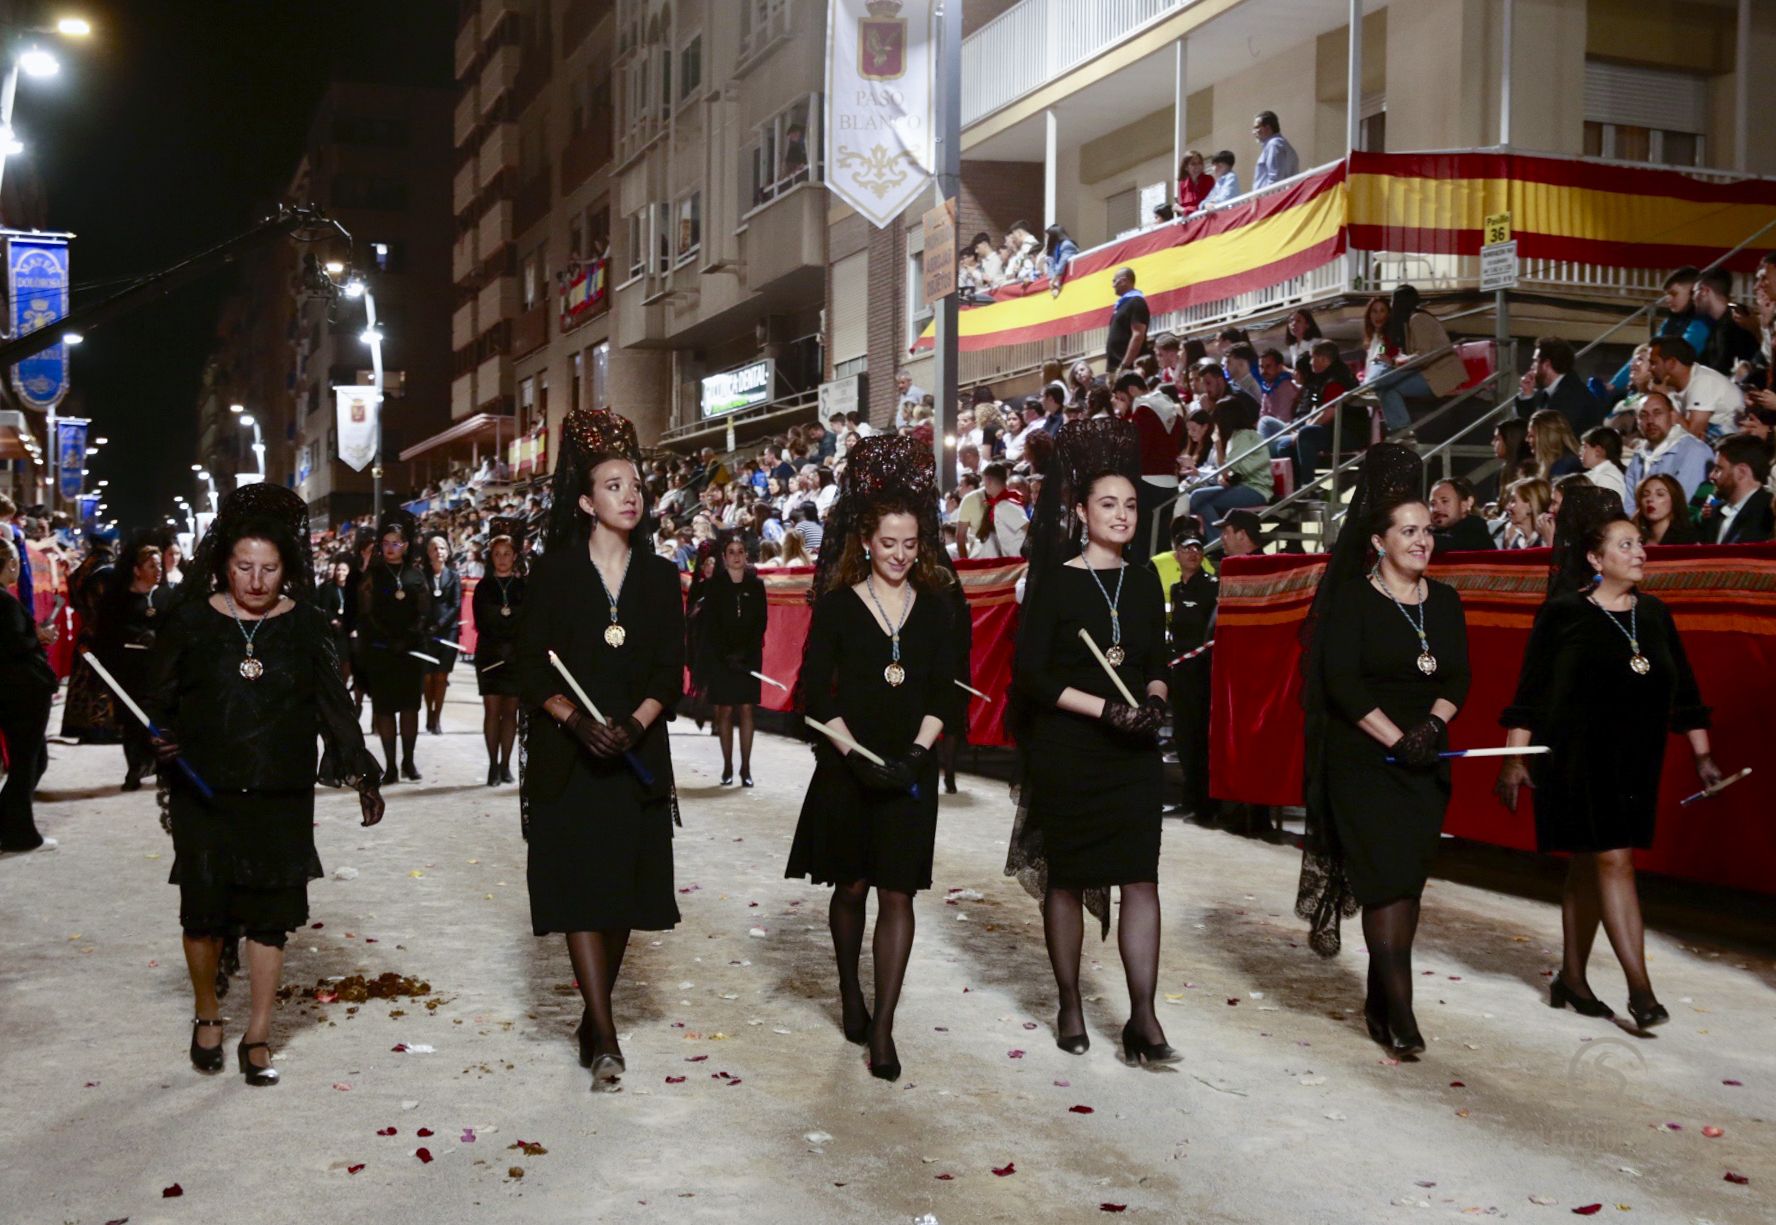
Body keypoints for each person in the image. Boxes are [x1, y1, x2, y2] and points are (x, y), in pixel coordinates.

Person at [143, 484, 385, 1086]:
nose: (256, 580)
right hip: (205, 789)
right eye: (244, 567)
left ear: (288, 567)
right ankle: (207, 1015)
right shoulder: (193, 621)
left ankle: (257, 1032)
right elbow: (158, 700)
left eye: (269, 568)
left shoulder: (306, 626)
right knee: (202, 912)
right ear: (224, 564)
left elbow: (334, 708)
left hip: (279, 790)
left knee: (269, 918)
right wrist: (161, 737)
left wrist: (362, 774)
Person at [1494, 485, 1720, 1030]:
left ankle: (1571, 979)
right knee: (1614, 859)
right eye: (1625, 545)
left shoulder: (1657, 614)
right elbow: (1530, 693)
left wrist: (1703, 756)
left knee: (1588, 864)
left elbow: (1684, 692)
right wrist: (1513, 760)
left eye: (1640, 544)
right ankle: (1641, 991)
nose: (1640, 552)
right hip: (1576, 758)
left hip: (1636, 762)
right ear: (1595, 559)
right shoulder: (1564, 614)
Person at [518, 407, 686, 1091]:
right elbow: (529, 668)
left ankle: (592, 1014)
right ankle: (606, 1034)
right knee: (582, 894)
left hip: (637, 758)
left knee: (619, 899)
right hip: (570, 762)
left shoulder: (661, 575)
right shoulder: (553, 573)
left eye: (635, 484)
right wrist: (572, 721)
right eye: (613, 484)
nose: (629, 494)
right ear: (586, 500)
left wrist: (636, 724)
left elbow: (667, 673)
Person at [1006, 416, 1177, 1067]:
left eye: (1131, 504)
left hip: (1133, 753)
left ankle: (1143, 1016)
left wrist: (1155, 699)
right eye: (1108, 503)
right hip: (1071, 748)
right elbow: (1034, 675)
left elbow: (1157, 657)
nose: (1123, 514)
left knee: (1141, 877)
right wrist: (1105, 706)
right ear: (1081, 511)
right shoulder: (1057, 579)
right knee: (1069, 878)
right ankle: (1071, 1000)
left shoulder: (1145, 579)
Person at [785, 435, 955, 1082]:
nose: (901, 555)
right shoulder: (835, 606)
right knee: (851, 885)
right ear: (864, 540)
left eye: (911, 544)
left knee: (899, 892)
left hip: (911, 772)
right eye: (889, 543)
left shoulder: (935, 610)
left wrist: (916, 754)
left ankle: (882, 1026)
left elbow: (944, 691)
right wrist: (854, 758)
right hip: (847, 767)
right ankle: (850, 992)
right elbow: (813, 692)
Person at [1295, 444, 1471, 1058]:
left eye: (1428, 530)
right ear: (1378, 540)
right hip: (1365, 760)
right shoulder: (1351, 600)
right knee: (1382, 882)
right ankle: (1402, 1010)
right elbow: (1342, 686)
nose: (1423, 541)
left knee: (1406, 886)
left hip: (1424, 762)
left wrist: (1432, 728)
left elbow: (1458, 679)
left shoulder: (1445, 602)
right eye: (1409, 530)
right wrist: (1400, 739)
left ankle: (1379, 1000)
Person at [358, 511, 431, 784]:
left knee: (410, 707)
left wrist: (409, 637)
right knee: (386, 708)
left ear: (406, 545)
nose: (391, 548)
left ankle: (408, 762)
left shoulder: (416, 575)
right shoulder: (372, 575)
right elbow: (366, 614)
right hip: (382, 650)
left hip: (411, 650)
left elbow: (424, 613)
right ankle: (390, 766)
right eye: (386, 543)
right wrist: (388, 639)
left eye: (396, 543)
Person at [0, 535, 57, 852]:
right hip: (22, 691)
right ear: (10, 564)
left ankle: (9, 822)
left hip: (15, 690)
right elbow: (15, 647)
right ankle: (20, 834)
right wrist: (41, 636)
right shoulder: (5, 602)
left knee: (35, 760)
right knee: (27, 763)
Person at [703, 531, 769, 787]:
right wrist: (725, 654)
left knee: (746, 708)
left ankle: (746, 768)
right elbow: (711, 624)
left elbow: (761, 622)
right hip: (722, 657)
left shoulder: (756, 585)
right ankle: (728, 766)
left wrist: (745, 652)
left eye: (740, 551)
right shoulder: (716, 585)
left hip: (749, 655)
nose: (736, 556)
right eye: (731, 552)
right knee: (726, 709)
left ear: (746, 555)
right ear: (724, 556)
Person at [1165, 523, 1218, 822]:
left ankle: (1205, 804)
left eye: (1198, 548)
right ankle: (1189, 797)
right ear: (1176, 555)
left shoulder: (1211, 587)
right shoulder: (1176, 588)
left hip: (1200, 674)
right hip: (1180, 672)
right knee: (1183, 736)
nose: (1193, 553)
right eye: (1187, 548)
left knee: (1199, 738)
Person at [1363, 285, 1467, 434]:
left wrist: (1393, 362)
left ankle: (1402, 429)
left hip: (1436, 374)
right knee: (1384, 388)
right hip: (1424, 371)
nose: (1390, 310)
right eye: (1374, 311)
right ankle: (1401, 429)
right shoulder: (1402, 325)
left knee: (1382, 382)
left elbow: (1422, 356)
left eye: (1390, 305)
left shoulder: (1417, 320)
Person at [471, 529, 526, 786]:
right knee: (492, 711)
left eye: (507, 554)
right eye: (497, 554)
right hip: (490, 655)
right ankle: (493, 765)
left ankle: (506, 765)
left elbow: (528, 622)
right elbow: (483, 622)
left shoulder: (524, 587)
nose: (502, 559)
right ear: (490, 558)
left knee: (511, 711)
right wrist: (501, 643)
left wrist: (514, 646)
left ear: (515, 556)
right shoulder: (483, 588)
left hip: (516, 656)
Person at [1619, 391, 1713, 514]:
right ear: (1637, 422)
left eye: (1657, 413)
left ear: (1673, 417)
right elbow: (1629, 506)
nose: (1650, 420)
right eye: (1643, 415)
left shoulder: (1694, 451)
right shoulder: (1639, 456)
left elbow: (1683, 507)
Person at [1514, 337, 1604, 435]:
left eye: (1535, 361)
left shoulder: (1572, 395)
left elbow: (1543, 435)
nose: (1532, 367)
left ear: (1547, 365)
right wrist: (1527, 394)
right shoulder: (1548, 392)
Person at [419, 533, 461, 737]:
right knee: (427, 677)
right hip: (427, 631)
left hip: (448, 631)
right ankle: (428, 712)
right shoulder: (422, 575)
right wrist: (426, 625)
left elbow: (456, 605)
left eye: (442, 548)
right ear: (428, 553)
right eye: (434, 548)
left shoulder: (453, 576)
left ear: (448, 552)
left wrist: (441, 623)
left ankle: (436, 718)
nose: (438, 552)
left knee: (441, 676)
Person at [1704, 433, 1775, 543]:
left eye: (1718, 469)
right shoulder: (1717, 512)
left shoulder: (1768, 514)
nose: (1711, 476)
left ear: (1741, 472)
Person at [1428, 477, 1493, 554]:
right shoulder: (1432, 532)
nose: (1436, 509)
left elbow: (1455, 544)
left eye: (1444, 501)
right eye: (1432, 504)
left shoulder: (1476, 531)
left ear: (1464, 505)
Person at [1631, 474, 1700, 545]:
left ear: (1674, 500)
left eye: (1660, 494)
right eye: (1645, 495)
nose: (1650, 499)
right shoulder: (1635, 538)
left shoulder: (1687, 539)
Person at [1105, 267, 1150, 376]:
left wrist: (1125, 365)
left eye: (1115, 281)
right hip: (1115, 367)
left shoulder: (1136, 302)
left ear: (1124, 281)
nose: (1113, 285)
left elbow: (1138, 335)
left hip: (1126, 368)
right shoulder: (1121, 305)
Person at [1528, 409, 1584, 482]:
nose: (1527, 439)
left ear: (1545, 438)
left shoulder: (1565, 466)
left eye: (1531, 436)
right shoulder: (1555, 464)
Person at [1250, 111, 1299, 189]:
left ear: (1267, 128)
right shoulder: (1277, 144)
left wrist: (1266, 200)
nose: (1253, 132)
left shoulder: (1274, 145)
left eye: (1256, 127)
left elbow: (1275, 179)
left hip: (1272, 198)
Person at [1578, 426, 1628, 502]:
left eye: (1585, 447)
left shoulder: (1607, 479)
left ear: (1598, 451)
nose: (1580, 452)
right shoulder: (1595, 474)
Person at [1176, 150, 1214, 215]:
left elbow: (1205, 205)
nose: (1197, 166)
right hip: (1191, 223)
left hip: (1206, 219)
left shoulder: (1208, 180)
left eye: (1200, 163)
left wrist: (1183, 210)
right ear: (1186, 167)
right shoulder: (1182, 184)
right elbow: (1184, 206)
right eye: (1193, 164)